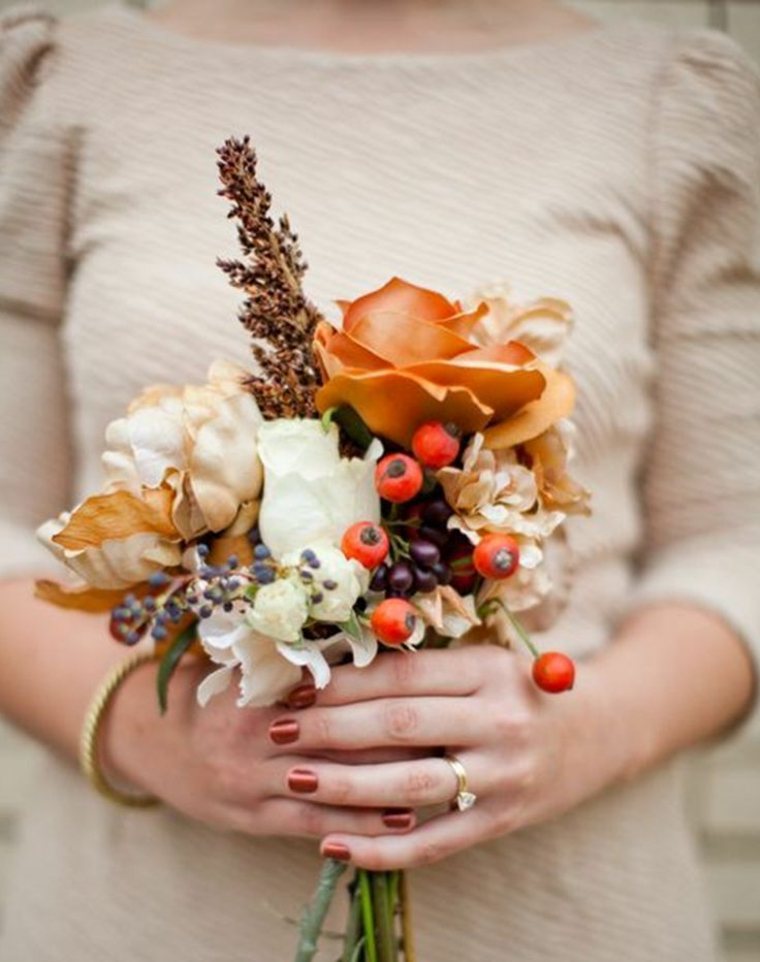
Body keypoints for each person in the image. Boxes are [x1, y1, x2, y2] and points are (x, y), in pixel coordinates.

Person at [1, 0, 759, 959]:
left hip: (565, 919)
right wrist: (154, 739)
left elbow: (737, 544)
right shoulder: (67, 74)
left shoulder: (659, 96)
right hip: (141, 920)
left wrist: (587, 731)